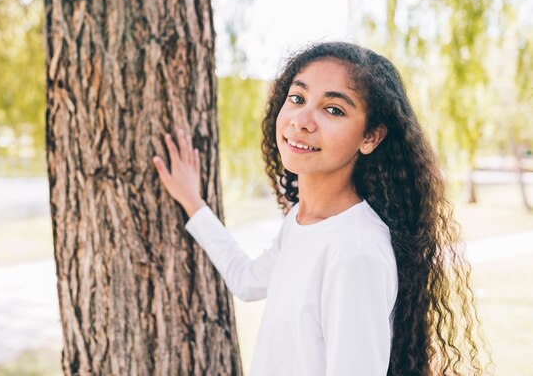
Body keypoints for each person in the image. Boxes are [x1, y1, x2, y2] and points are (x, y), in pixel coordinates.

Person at [151, 41, 489, 375]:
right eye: (297, 98)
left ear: (370, 137)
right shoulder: (302, 222)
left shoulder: (356, 251)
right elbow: (247, 280)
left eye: (334, 110)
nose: (301, 120)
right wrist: (193, 203)